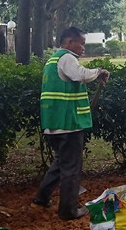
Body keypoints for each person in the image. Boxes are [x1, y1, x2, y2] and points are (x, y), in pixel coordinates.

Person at [33, 27, 110, 220]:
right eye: (81, 43)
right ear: (68, 42)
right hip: (69, 124)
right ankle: (68, 210)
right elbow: (80, 75)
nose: (83, 47)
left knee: (62, 163)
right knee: (71, 168)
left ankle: (42, 197)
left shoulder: (53, 60)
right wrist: (99, 71)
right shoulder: (67, 58)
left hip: (54, 124)